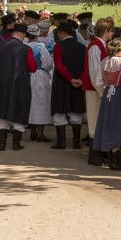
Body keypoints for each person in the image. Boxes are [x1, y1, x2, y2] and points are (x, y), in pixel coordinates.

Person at [0, 23, 38, 150]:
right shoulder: (25, 49)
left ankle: (1, 144)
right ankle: (16, 143)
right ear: (22, 34)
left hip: (2, 81)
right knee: (19, 110)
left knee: (3, 111)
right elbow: (33, 67)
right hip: (20, 83)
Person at [90, 37, 121, 170]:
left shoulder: (104, 62)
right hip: (120, 95)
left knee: (108, 124)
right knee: (118, 125)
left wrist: (103, 92)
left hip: (108, 95)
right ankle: (115, 159)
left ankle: (111, 157)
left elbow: (98, 82)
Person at [49, 20, 86, 149]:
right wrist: (79, 80)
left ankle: (61, 141)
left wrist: (70, 79)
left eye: (59, 33)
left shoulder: (59, 47)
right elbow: (85, 67)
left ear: (62, 33)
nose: (58, 35)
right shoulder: (82, 47)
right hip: (78, 83)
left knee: (60, 111)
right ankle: (76, 142)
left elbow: (59, 67)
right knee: (76, 112)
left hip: (62, 83)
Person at [82, 17, 114, 166]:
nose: (113, 34)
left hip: (98, 88)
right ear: (106, 31)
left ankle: (99, 152)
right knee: (94, 119)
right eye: (111, 31)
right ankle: (93, 155)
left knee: (99, 119)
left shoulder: (101, 45)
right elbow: (95, 72)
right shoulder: (95, 47)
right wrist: (101, 90)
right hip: (94, 88)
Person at [25, 22, 55, 142]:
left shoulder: (24, 46)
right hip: (40, 75)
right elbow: (48, 64)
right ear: (37, 35)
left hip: (28, 76)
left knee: (30, 103)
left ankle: (32, 131)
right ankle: (40, 133)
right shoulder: (41, 47)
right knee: (41, 103)